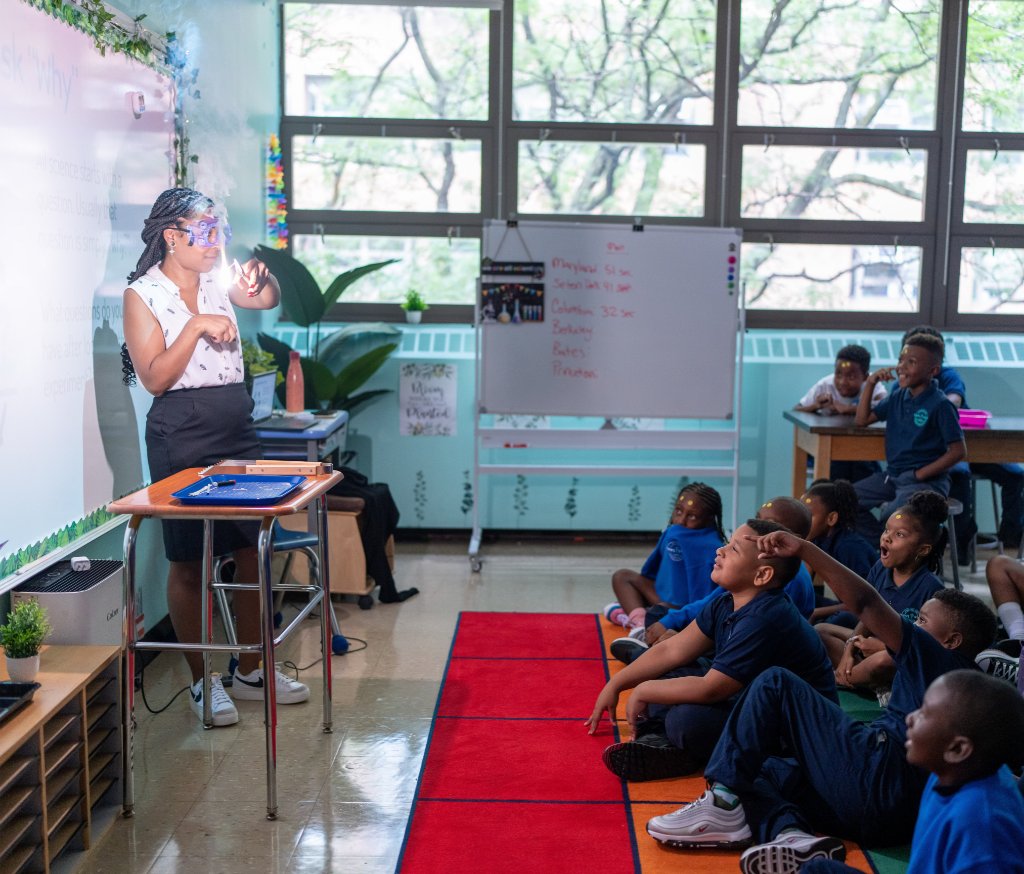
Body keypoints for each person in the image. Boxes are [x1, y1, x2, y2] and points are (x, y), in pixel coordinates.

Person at [640, 527, 997, 871]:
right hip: (890, 818)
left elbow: (866, 602)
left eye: (920, 619)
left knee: (776, 684)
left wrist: (805, 549)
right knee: (761, 768)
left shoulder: (937, 657)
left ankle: (721, 801)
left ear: (951, 640)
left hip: (878, 771)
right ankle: (791, 835)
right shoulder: (975, 691)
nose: (912, 624)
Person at [122, 187, 308, 727]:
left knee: (251, 548)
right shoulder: (143, 294)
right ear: (171, 237)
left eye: (218, 231)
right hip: (181, 427)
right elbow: (154, 375)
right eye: (204, 233)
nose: (214, 242)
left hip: (233, 421)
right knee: (190, 560)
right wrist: (197, 324)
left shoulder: (214, 279)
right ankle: (203, 683)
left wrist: (261, 280)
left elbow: (267, 299)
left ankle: (251, 669)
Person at [586, 519, 836, 782]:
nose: (720, 550)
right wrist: (616, 685)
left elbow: (711, 688)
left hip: (797, 730)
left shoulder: (766, 616)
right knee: (669, 673)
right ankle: (664, 742)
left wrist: (643, 689)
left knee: (686, 720)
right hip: (744, 698)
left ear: (762, 575)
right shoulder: (726, 601)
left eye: (734, 549)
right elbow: (672, 650)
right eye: (727, 543)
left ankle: (676, 745)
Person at [799, 671, 1024, 874]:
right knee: (819, 870)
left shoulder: (981, 830)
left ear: (957, 749)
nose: (909, 718)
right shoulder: (958, 769)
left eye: (924, 714)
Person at [612, 497, 816, 664]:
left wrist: (685, 643)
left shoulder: (791, 578)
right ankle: (656, 651)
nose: (757, 529)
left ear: (791, 539)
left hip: (754, 654)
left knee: (683, 706)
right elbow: (709, 603)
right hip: (731, 635)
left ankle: (647, 656)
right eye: (757, 519)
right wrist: (670, 623)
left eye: (770, 526)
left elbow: (758, 641)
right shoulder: (746, 574)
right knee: (662, 615)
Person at [897, 325, 1024, 559]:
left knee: (1015, 474)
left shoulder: (948, 376)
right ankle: (963, 539)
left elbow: (954, 399)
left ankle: (1010, 539)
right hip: (936, 456)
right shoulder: (903, 384)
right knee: (959, 473)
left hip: (970, 447)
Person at [816, 492, 947, 693]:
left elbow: (923, 649)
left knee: (883, 661)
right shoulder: (880, 568)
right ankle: (856, 676)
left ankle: (844, 678)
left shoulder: (932, 589)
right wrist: (849, 650)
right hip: (866, 647)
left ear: (923, 550)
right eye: (887, 530)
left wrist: (881, 647)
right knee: (821, 631)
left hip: (896, 657)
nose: (887, 538)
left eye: (899, 535)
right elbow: (868, 613)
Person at [852, 332, 965, 541]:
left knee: (892, 516)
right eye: (900, 360)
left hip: (926, 482)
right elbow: (862, 420)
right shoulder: (898, 396)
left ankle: (888, 549)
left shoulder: (941, 404)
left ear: (933, 371)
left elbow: (958, 451)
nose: (901, 367)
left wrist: (921, 474)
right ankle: (882, 547)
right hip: (892, 476)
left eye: (911, 362)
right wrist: (870, 382)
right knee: (845, 502)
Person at [604, 483, 725, 631]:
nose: (681, 520)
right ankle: (640, 621)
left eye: (692, 516)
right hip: (660, 597)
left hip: (684, 607)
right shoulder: (672, 532)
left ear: (709, 519)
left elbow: (706, 597)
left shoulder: (713, 547)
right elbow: (652, 571)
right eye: (678, 511)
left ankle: (637, 619)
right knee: (622, 577)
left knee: (658, 609)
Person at [794, 344, 887, 482]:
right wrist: (816, 405)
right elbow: (797, 408)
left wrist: (847, 409)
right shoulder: (825, 385)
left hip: (861, 447)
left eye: (851, 376)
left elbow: (885, 407)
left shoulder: (872, 384)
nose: (842, 381)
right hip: (829, 447)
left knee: (862, 467)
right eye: (838, 374)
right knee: (839, 469)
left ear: (865, 377)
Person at [803, 479, 877, 622]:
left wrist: (815, 612)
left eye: (809, 516)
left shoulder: (849, 547)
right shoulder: (818, 540)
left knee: (834, 620)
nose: (803, 520)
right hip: (846, 606)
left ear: (831, 518)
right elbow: (804, 586)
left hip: (868, 614)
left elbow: (863, 603)